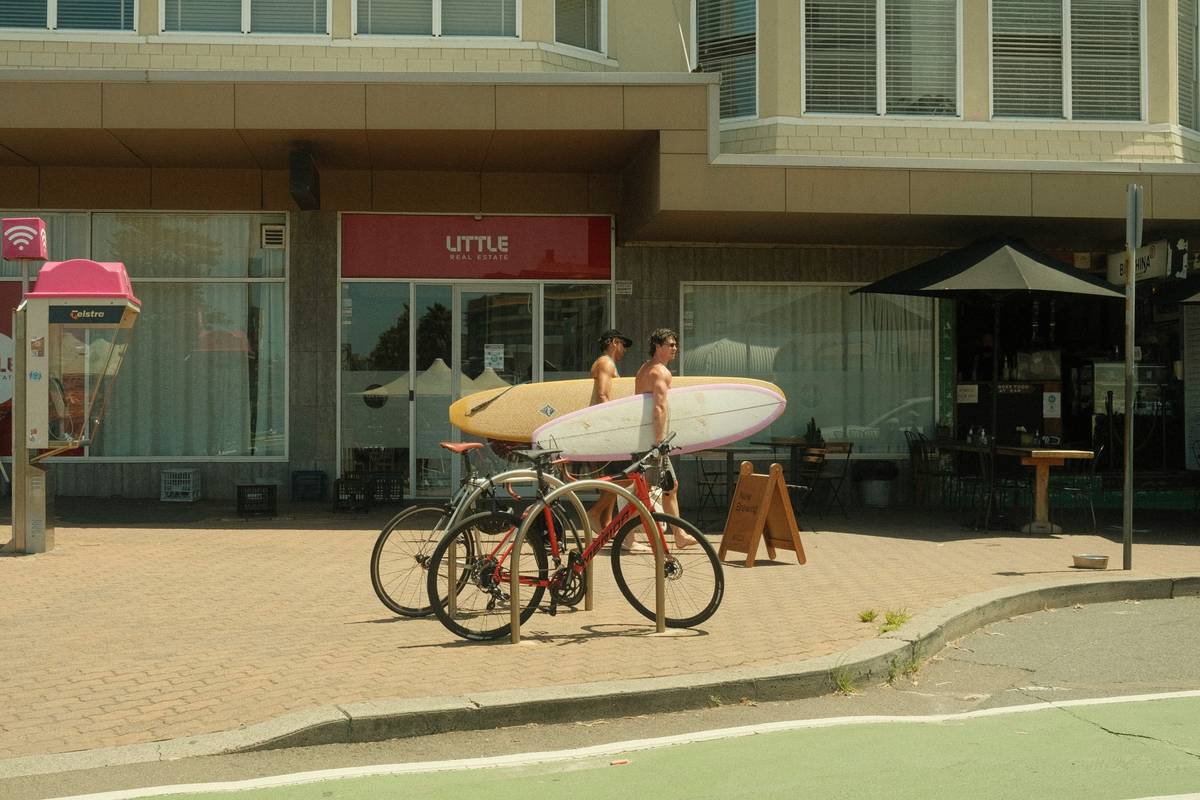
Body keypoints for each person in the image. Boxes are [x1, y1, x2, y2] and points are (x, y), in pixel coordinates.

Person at [634, 327, 697, 548]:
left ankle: (676, 536)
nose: (675, 348)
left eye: (675, 344)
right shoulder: (659, 372)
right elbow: (658, 408)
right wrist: (660, 443)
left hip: (643, 439)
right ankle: (673, 536)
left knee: (659, 488)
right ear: (657, 346)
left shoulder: (645, 368)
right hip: (652, 442)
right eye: (670, 344)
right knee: (658, 489)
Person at [585, 329, 634, 540]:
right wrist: (614, 425)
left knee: (612, 478)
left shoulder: (604, 363)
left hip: (601, 429)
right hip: (606, 429)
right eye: (623, 344)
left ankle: (607, 524)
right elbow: (603, 395)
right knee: (625, 477)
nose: (624, 350)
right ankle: (594, 513)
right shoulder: (606, 363)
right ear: (614, 342)